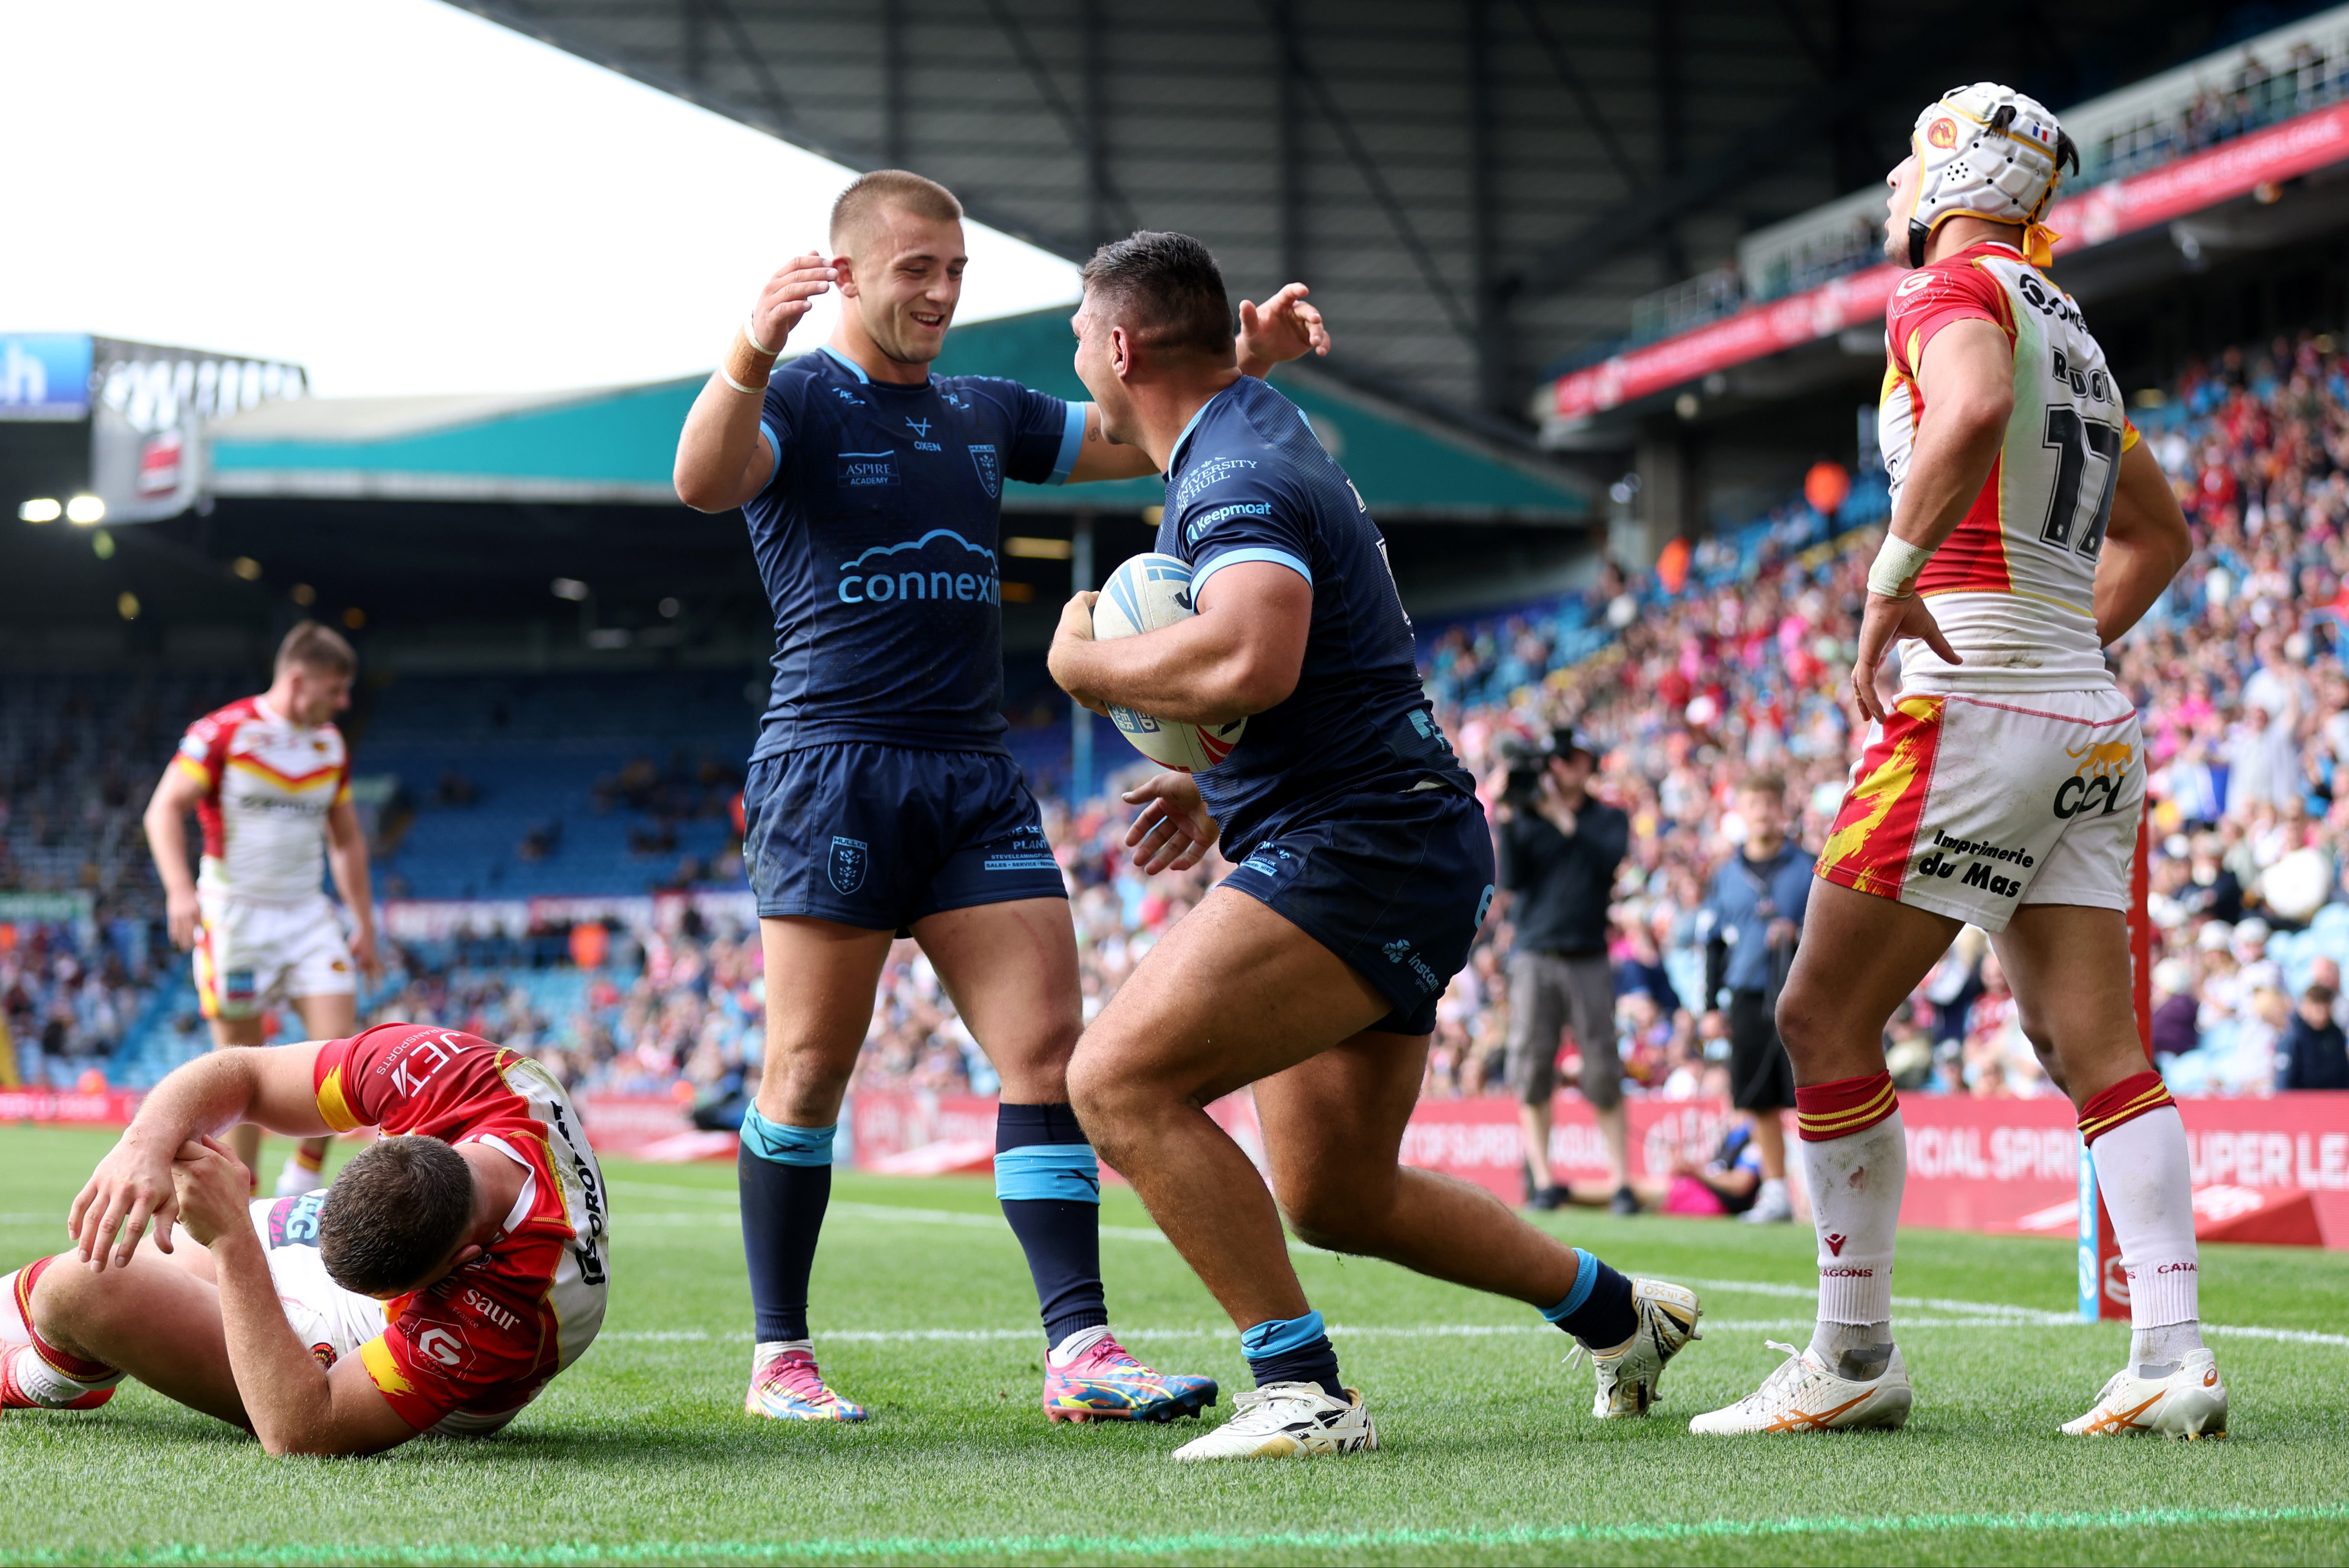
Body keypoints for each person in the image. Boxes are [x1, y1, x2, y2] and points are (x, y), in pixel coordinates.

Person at [670, 170, 1331, 1425]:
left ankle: (1079, 1348)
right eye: (916, 267)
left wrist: (1246, 353)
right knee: (808, 1069)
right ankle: (779, 1358)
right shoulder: (800, 394)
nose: (941, 291)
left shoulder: (983, 409)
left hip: (974, 773)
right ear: (847, 273)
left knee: (1047, 1055)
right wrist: (754, 339)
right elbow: (704, 479)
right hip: (831, 765)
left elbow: (1142, 423)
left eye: (957, 269)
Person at [1048, 230, 1700, 1462]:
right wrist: (1221, 774)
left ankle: (1298, 1387)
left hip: (1363, 844)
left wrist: (1082, 664)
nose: (1078, 359)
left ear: (1122, 347)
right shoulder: (1245, 420)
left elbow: (1253, 657)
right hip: (1370, 827)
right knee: (1335, 1190)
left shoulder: (1230, 469)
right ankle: (1620, 1312)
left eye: (1082, 339)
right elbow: (1278, 673)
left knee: (1114, 1080)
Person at [1692, 84, 2207, 1438]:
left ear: (1952, 171)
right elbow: (2164, 536)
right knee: (2096, 1045)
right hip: (2082, 712)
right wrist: (2049, 660)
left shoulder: (1947, 297)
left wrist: (1888, 578)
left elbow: (1970, 406)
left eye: (1908, 163)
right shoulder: (2076, 334)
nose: (1892, 192)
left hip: (1974, 698)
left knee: (1816, 1018)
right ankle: (2173, 1351)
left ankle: (1852, 1352)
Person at [0, 1023, 608, 1452]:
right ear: (397, 1137)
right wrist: (145, 1142)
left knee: (80, 1288)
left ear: (463, 1260)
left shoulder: (510, 1306)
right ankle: (75, 1350)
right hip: (383, 1235)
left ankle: (46, 1375)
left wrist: (233, 1236)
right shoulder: (445, 1073)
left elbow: (304, 1430)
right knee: (164, 1161)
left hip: (402, 1345)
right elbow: (247, 1073)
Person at [142, 621, 381, 1200]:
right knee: (237, 1073)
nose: (344, 702)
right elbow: (163, 809)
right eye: (336, 688)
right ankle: (243, 1204)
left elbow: (345, 840)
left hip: (306, 915)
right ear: (299, 680)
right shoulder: (222, 732)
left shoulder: (331, 746)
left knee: (341, 1057)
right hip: (235, 917)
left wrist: (364, 921)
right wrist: (179, 889)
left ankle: (301, 1179)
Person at [1488, 734, 1635, 1213]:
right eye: (1559, 758)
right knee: (1531, 1063)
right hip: (1533, 952)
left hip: (1587, 952)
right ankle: (1544, 1178)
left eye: (1574, 757)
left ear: (1589, 762)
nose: (1566, 766)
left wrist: (1559, 816)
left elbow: (1606, 861)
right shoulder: (1526, 816)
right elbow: (1510, 879)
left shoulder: (1608, 817)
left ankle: (1620, 1181)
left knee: (1601, 1065)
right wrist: (1508, 814)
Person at [1697, 771, 1809, 1223]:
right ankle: (1776, 1191)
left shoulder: (1809, 866)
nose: (1762, 810)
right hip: (1745, 996)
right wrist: (1709, 1006)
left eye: (1769, 801)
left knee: (1811, 1096)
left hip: (1802, 996)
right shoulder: (1725, 876)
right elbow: (1712, 943)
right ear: (1740, 812)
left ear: (1782, 808)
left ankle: (1820, 1194)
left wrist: (1797, 935)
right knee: (1758, 1099)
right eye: (1753, 802)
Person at [1562, 1115, 1764, 1217]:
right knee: (1632, 1195)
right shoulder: (1737, 1127)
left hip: (1715, 1203)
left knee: (1633, 1190)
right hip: (1705, 1193)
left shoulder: (1758, 1130)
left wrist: (1697, 1172)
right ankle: (1566, 1198)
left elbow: (1741, 1184)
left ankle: (1564, 1193)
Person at [2278, 980, 2349, 1089]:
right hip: (2303, 1103)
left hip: (2335, 1103)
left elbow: (2344, 1075)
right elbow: (2284, 1084)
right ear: (2306, 1007)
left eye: (2325, 1008)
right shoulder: (2293, 1039)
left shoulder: (2335, 1034)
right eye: (2317, 1009)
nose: (2321, 1015)